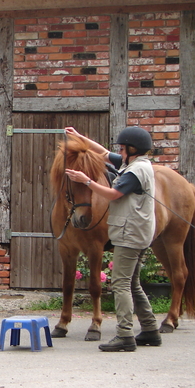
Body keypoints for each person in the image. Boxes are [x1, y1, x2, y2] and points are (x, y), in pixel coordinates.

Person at [64, 126, 162, 352]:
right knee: (134, 284)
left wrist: (86, 181)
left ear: (132, 149)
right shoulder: (135, 163)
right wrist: (82, 138)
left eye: (122, 147)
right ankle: (150, 329)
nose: (119, 150)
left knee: (120, 284)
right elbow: (104, 154)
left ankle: (125, 335)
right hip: (138, 232)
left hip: (130, 234)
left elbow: (112, 194)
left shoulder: (133, 173)